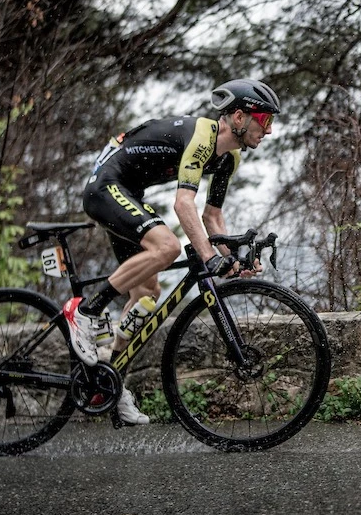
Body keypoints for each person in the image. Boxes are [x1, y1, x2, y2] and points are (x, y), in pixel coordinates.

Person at [66, 78, 280, 425]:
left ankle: (110, 379)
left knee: (148, 294)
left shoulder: (229, 159)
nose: (269, 131)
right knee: (166, 247)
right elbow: (184, 205)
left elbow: (212, 216)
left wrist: (233, 259)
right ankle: (86, 312)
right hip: (106, 186)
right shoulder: (202, 135)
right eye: (265, 120)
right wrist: (210, 258)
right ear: (239, 117)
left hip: (130, 193)